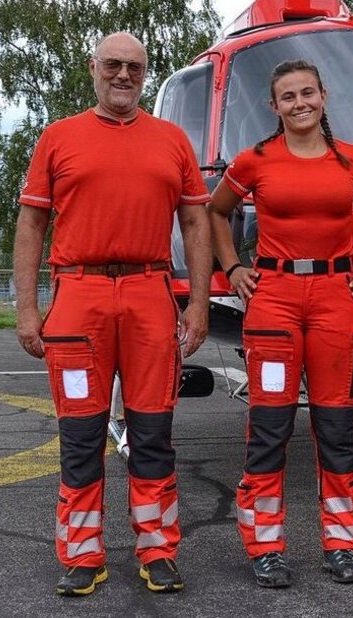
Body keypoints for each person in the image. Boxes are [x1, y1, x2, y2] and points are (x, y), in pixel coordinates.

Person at [14, 31, 212, 597]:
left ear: (145, 74)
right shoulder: (58, 138)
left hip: (151, 294)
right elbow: (31, 225)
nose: (123, 76)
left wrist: (197, 303)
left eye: (135, 67)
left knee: (153, 432)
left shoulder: (172, 141)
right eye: (113, 65)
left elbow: (196, 224)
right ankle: (82, 554)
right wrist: (28, 310)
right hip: (79, 299)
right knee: (80, 434)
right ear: (93, 68)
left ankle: (158, 549)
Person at [208, 59, 353, 589]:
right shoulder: (254, 161)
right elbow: (216, 213)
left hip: (335, 297)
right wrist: (233, 267)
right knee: (269, 429)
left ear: (324, 96)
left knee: (336, 430)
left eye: (308, 92)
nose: (300, 103)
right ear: (274, 106)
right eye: (289, 96)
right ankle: (264, 546)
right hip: (275, 298)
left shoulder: (352, 161)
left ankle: (343, 543)